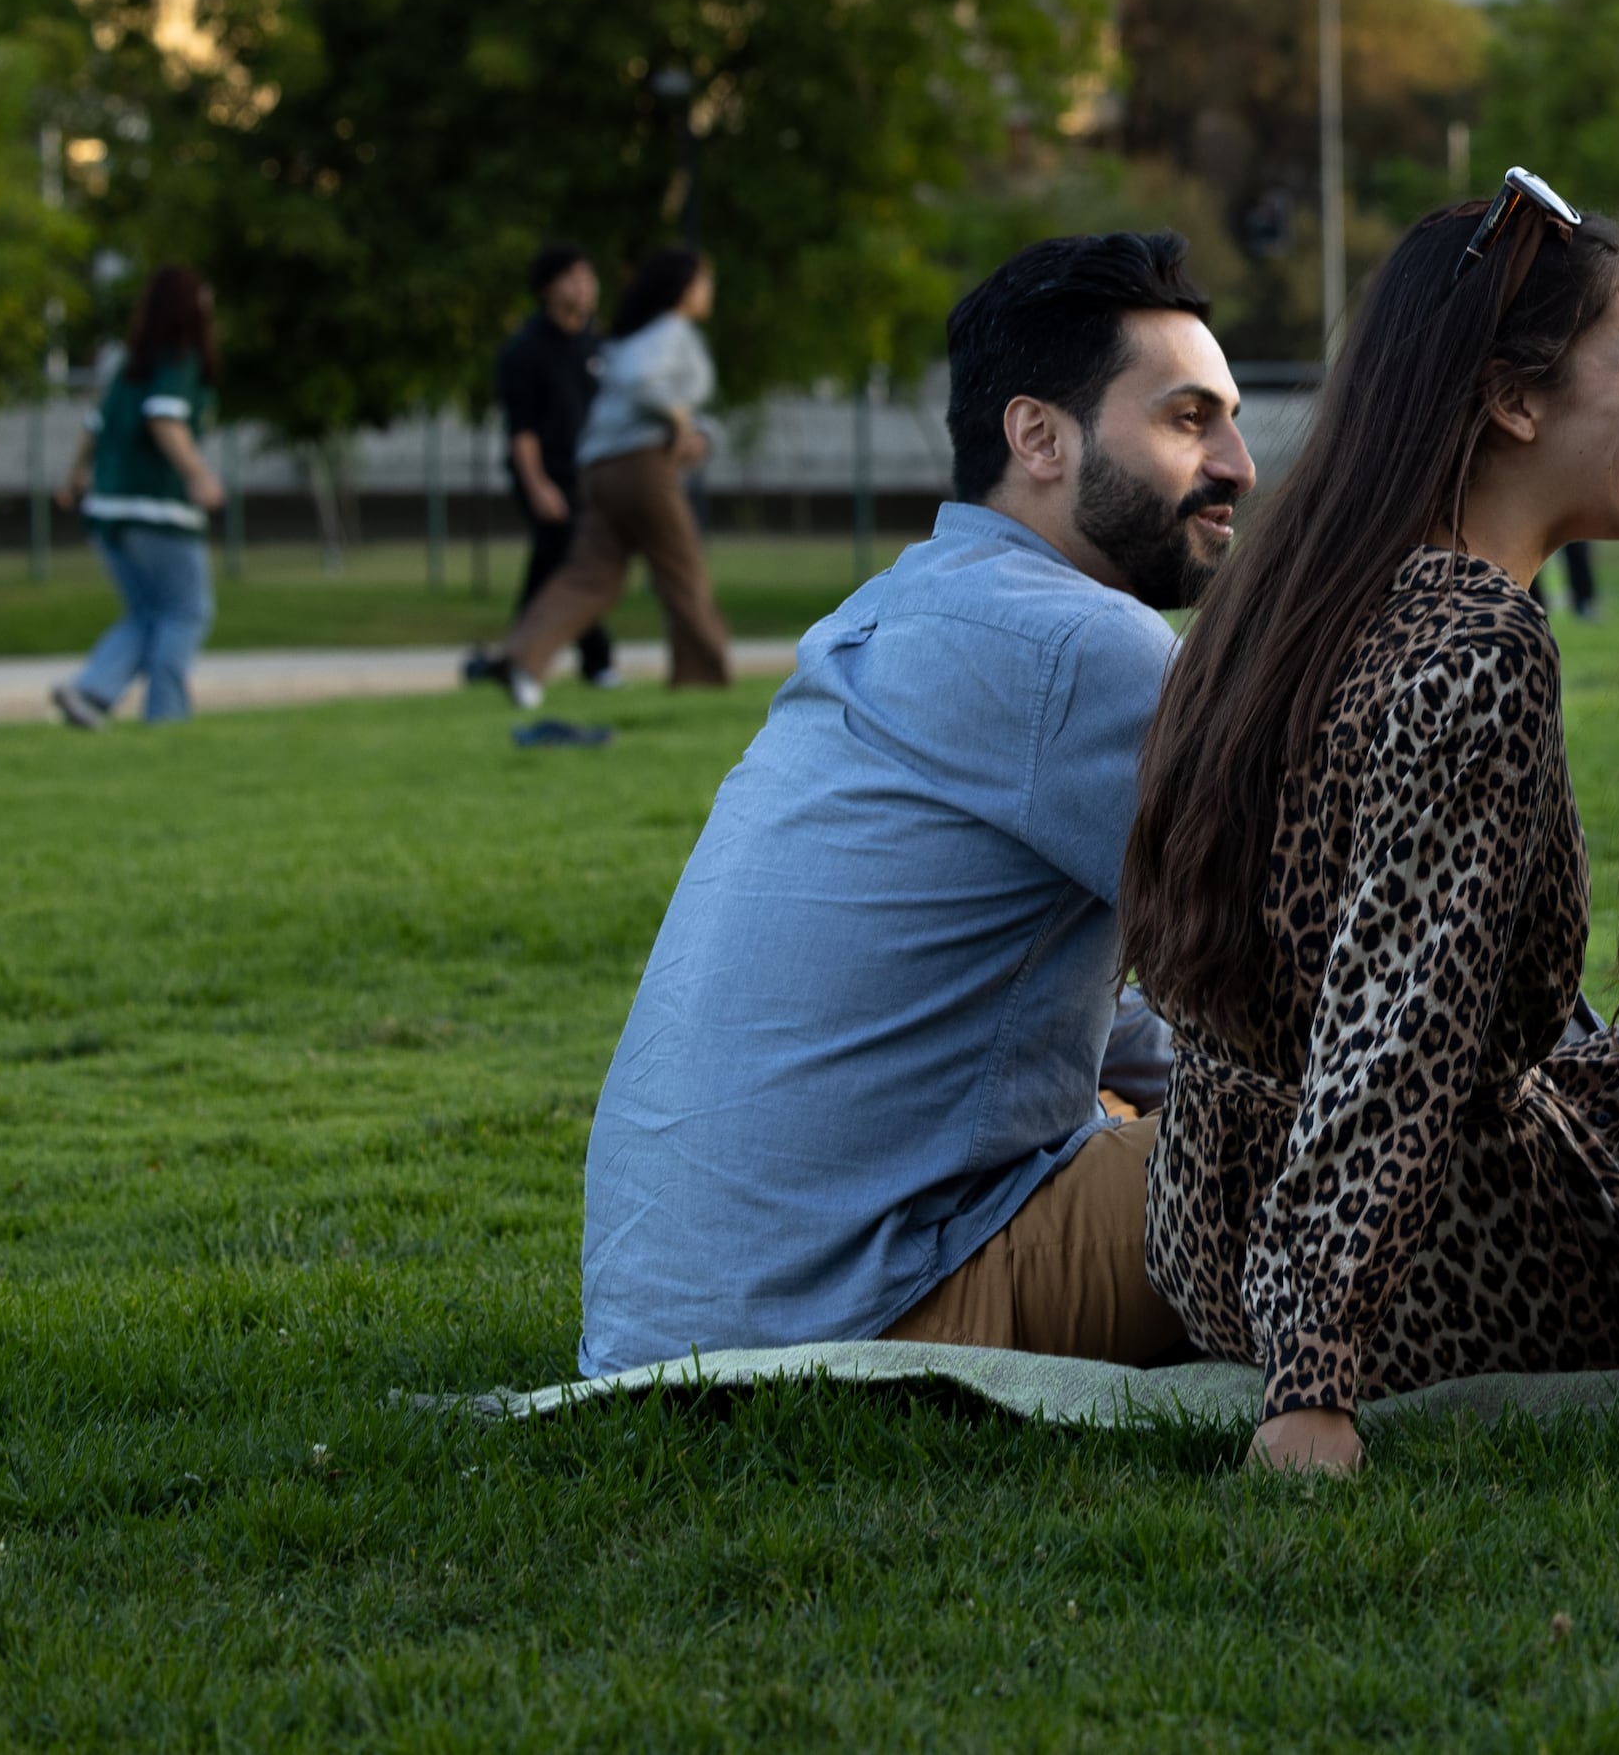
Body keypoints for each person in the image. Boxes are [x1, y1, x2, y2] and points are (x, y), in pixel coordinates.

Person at [1120, 173, 1619, 1481]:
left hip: (1209, 1217)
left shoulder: (1286, 594)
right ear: (1513, 395)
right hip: (1442, 1267)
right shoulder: (1478, 638)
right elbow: (1391, 1030)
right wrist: (1314, 1387)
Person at [576, 233, 1257, 1377]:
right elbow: (1321, 980)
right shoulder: (1084, 641)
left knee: (1146, 1094)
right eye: (1189, 419)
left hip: (689, 1308)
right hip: (864, 1301)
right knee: (1363, 1140)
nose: (1238, 460)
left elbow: (1121, 1008)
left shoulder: (910, 606)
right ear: (1037, 435)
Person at [500, 244, 736, 703]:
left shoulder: (628, 336)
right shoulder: (670, 331)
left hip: (599, 469)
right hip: (640, 467)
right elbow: (645, 384)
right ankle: (703, 676)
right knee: (682, 569)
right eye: (704, 281)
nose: (709, 291)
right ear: (683, 288)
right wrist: (680, 421)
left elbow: (629, 390)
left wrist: (689, 428)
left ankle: (522, 659)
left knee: (592, 575)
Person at [49, 263, 228, 730]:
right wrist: (198, 475)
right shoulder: (179, 361)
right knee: (186, 611)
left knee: (149, 612)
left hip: (107, 509)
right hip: (157, 508)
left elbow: (94, 427)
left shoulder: (128, 366)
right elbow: (164, 419)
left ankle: (90, 690)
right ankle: (167, 718)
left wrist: (73, 480)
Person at [473, 245, 617, 693]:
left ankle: (513, 661)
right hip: (548, 476)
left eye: (588, 276)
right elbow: (523, 431)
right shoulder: (525, 351)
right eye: (573, 277)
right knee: (571, 566)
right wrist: (537, 486)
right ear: (548, 288)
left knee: (555, 568)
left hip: (591, 478)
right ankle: (595, 662)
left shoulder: (597, 345)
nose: (584, 286)